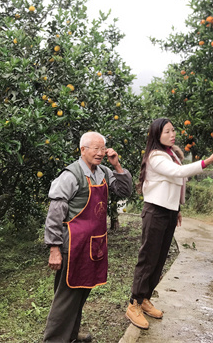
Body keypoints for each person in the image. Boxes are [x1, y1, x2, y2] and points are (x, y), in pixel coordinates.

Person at [125, 117, 213, 330]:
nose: (172, 134)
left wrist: (177, 208)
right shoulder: (155, 156)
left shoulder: (171, 154)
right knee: (148, 258)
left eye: (173, 130)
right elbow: (178, 173)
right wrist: (207, 161)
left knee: (160, 258)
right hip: (155, 211)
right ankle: (134, 303)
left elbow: (175, 184)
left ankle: (145, 298)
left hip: (168, 212)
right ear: (157, 135)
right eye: (167, 132)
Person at [43, 131, 133, 343]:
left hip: (94, 245)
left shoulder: (103, 172)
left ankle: (71, 335)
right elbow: (55, 212)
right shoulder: (71, 175)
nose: (100, 153)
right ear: (83, 150)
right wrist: (54, 248)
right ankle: (55, 340)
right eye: (96, 148)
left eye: (103, 148)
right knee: (66, 297)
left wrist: (117, 166)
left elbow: (124, 191)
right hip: (73, 245)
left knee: (81, 292)